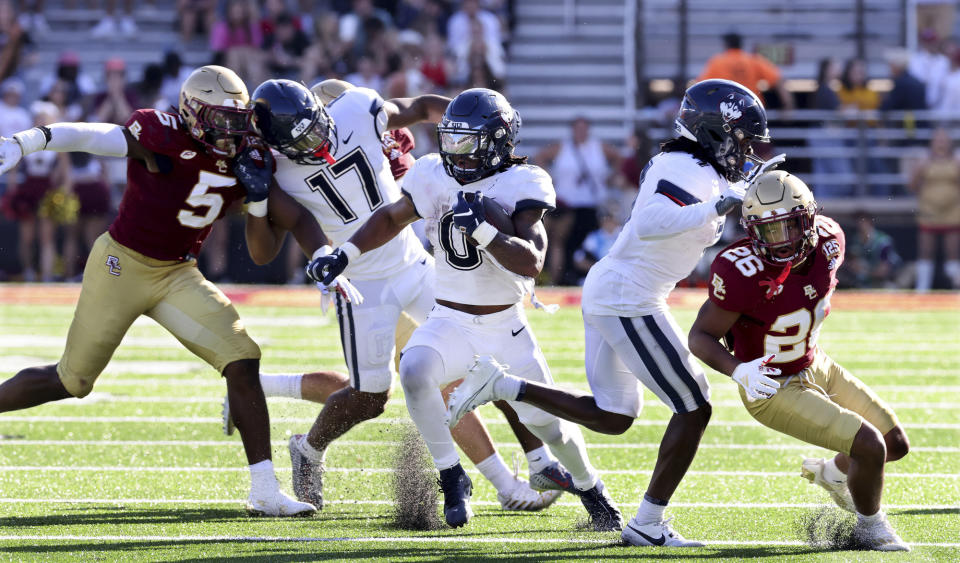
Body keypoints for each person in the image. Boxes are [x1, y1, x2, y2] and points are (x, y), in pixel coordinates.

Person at [446, 79, 777, 547]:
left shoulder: (703, 170)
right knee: (695, 406)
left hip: (623, 290)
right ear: (713, 132)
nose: (745, 149)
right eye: (741, 138)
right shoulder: (682, 165)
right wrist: (722, 203)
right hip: (629, 295)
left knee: (614, 415)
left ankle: (502, 384)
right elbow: (651, 221)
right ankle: (647, 523)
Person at [233, 79, 565, 515]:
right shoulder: (276, 170)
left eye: (317, 125)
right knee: (370, 397)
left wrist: (472, 130)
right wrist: (266, 211)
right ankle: (309, 448)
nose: (318, 139)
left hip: (413, 264)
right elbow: (282, 239)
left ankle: (537, 460)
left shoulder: (356, 109)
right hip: (361, 284)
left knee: (488, 354)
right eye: (302, 139)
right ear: (277, 144)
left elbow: (424, 105)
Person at [0, 65, 317, 517]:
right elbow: (96, 136)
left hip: (177, 273)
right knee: (72, 381)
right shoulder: (161, 133)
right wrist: (29, 140)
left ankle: (264, 489)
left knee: (242, 359)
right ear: (190, 113)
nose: (230, 131)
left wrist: (260, 198)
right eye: (219, 120)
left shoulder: (250, 154)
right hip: (121, 264)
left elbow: (264, 253)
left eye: (237, 119)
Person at [307, 88, 622, 531]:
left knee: (553, 430)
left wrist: (487, 234)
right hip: (449, 319)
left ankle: (593, 492)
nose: (454, 152)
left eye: (466, 142)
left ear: (496, 141)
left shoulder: (524, 181)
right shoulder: (434, 172)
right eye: (450, 140)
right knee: (415, 370)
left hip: (504, 325)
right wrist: (345, 253)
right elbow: (391, 217)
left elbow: (532, 261)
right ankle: (452, 476)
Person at [687, 170, 910, 552]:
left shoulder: (830, 241)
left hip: (813, 361)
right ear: (751, 231)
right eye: (769, 231)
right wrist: (738, 369)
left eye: (789, 226)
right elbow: (700, 336)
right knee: (870, 447)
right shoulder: (742, 271)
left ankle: (834, 475)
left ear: (808, 218)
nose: (782, 240)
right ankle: (871, 529)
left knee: (895, 443)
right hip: (771, 386)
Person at [535, 117, 621, 285]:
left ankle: (591, 278)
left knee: (590, 244)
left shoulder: (599, 147)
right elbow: (540, 156)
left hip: (592, 205)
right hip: (567, 205)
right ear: (573, 130)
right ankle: (560, 278)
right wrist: (549, 180)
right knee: (562, 242)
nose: (581, 132)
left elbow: (619, 158)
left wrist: (610, 177)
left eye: (584, 129)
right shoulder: (562, 147)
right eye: (578, 129)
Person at [908, 127, 960, 290]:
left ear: (950, 143)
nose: (941, 143)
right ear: (932, 143)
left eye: (944, 140)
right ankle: (922, 289)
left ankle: (955, 288)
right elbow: (912, 185)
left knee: (952, 252)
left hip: (952, 212)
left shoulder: (957, 162)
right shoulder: (924, 161)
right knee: (926, 251)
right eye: (938, 140)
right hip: (929, 211)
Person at [698, 32, 794, 111]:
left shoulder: (717, 62)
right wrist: (787, 105)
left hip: (726, 110)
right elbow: (778, 79)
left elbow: (701, 87)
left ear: (726, 45)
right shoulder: (753, 60)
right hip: (751, 109)